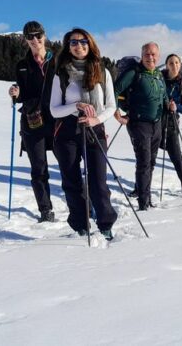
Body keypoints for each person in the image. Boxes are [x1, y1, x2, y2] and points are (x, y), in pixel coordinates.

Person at [50, 28, 117, 240]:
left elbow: (111, 106)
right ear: (67, 47)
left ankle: (105, 222)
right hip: (67, 131)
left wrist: (95, 119)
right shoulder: (60, 73)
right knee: (72, 182)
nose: (78, 45)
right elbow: (54, 109)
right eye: (73, 42)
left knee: (98, 181)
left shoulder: (102, 71)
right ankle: (80, 224)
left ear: (90, 44)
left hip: (94, 129)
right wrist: (75, 106)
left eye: (83, 41)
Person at [8, 21, 56, 222]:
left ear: (44, 36)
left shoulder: (58, 61)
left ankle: (80, 205)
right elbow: (22, 94)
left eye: (38, 35)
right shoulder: (22, 65)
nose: (35, 40)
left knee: (69, 165)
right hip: (32, 121)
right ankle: (46, 210)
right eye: (30, 37)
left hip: (58, 119)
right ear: (25, 40)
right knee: (39, 168)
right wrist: (15, 95)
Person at [114, 42, 168, 211]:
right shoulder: (133, 73)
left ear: (158, 56)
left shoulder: (159, 75)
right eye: (146, 54)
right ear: (142, 55)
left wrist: (169, 104)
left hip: (156, 124)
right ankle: (144, 202)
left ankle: (141, 191)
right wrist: (116, 113)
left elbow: (163, 95)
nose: (150, 57)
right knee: (144, 162)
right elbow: (114, 91)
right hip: (138, 123)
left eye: (153, 54)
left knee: (150, 162)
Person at [161, 54, 182, 198]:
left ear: (180, 65)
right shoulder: (159, 78)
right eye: (171, 63)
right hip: (156, 121)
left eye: (176, 62)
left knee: (177, 158)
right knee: (148, 158)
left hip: (171, 122)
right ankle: (140, 189)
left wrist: (176, 107)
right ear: (166, 65)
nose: (174, 65)